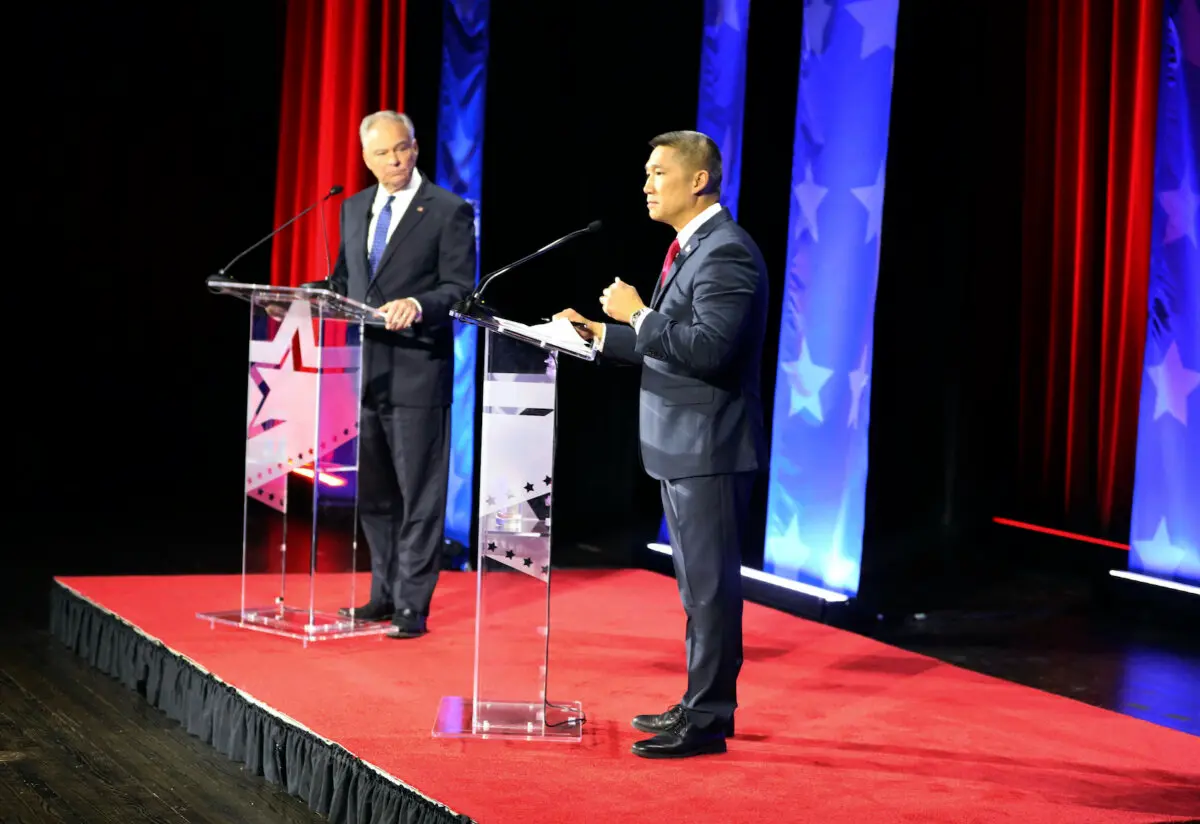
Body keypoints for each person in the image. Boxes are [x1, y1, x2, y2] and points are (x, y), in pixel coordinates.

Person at [556, 130, 768, 759]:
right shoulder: (690, 246)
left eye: (657, 173)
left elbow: (706, 349)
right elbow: (672, 345)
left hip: (710, 447)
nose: (646, 184)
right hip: (682, 444)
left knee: (710, 588)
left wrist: (637, 314)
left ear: (697, 180)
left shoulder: (726, 252)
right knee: (694, 588)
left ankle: (707, 720)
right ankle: (699, 705)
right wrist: (600, 334)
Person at [316, 110, 476, 638]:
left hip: (418, 371)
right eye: (383, 153)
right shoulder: (355, 207)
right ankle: (381, 595)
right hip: (366, 375)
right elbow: (346, 278)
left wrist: (417, 302)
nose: (395, 160)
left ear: (416, 146)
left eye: (402, 149)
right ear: (366, 157)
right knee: (377, 496)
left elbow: (458, 288)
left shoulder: (448, 211)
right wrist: (305, 299)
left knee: (419, 496)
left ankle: (413, 605)